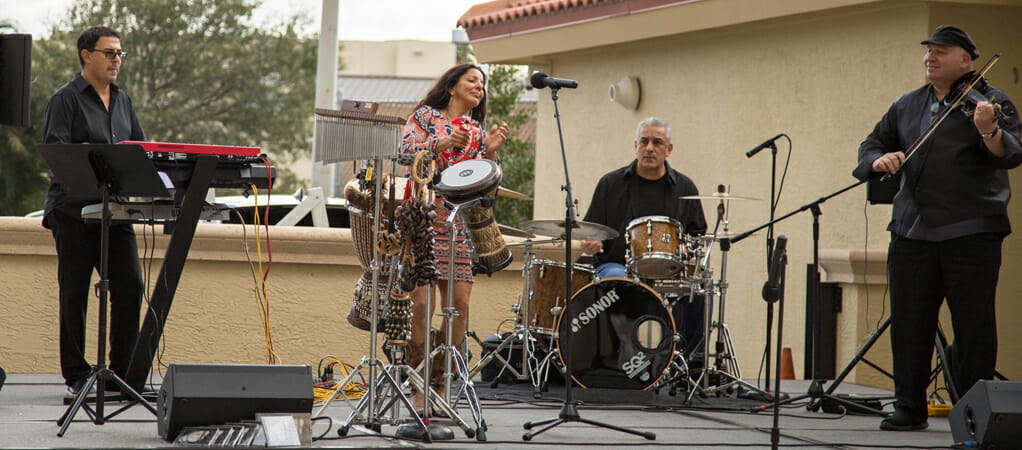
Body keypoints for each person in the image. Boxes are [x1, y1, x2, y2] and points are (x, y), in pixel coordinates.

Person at [853, 25, 1021, 431]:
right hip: (913, 231)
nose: (930, 57)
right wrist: (879, 161)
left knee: (973, 326)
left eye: (941, 51)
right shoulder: (908, 105)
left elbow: (1010, 153)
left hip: (972, 231)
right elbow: (871, 145)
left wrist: (989, 131)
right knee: (910, 323)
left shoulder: (992, 102)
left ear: (966, 60)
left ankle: (972, 414)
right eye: (929, 51)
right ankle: (909, 407)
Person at [41, 26, 145, 399]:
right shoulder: (65, 99)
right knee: (75, 291)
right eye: (109, 53)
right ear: (86, 55)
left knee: (131, 284)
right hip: (73, 212)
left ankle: (123, 374)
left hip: (114, 213)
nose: (117, 59)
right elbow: (57, 154)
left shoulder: (123, 101)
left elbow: (139, 150)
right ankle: (77, 374)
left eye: (120, 53)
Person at [399, 64, 508, 407]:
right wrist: (443, 142)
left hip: (459, 223)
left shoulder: (475, 129)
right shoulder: (425, 117)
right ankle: (418, 388)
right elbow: (404, 155)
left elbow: (483, 183)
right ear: (452, 87)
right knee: (420, 305)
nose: (480, 86)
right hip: (423, 215)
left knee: (458, 306)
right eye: (472, 80)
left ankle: (440, 385)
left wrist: (489, 151)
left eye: (483, 83)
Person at [580, 117, 707, 365]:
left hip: (670, 270)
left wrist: (686, 247)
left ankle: (690, 364)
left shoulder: (685, 187)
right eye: (644, 141)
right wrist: (590, 242)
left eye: (657, 142)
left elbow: (697, 235)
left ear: (669, 149)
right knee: (619, 280)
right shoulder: (610, 184)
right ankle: (620, 361)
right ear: (635, 145)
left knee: (698, 290)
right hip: (617, 266)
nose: (649, 148)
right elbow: (591, 229)